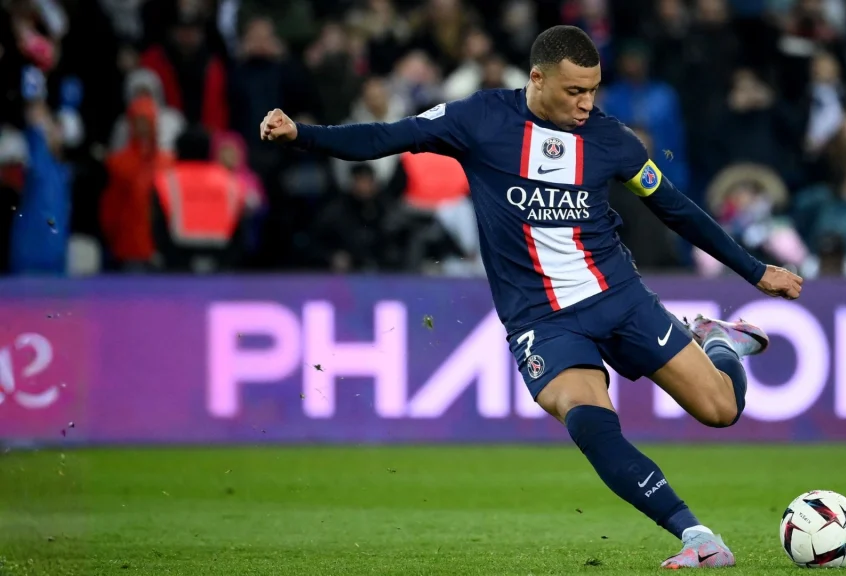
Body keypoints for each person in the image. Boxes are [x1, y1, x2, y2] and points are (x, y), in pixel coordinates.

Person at [260, 25, 802, 569]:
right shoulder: (480, 119)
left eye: (593, 90)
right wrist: (302, 134)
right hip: (542, 320)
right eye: (574, 91)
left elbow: (675, 208)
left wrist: (755, 272)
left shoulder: (611, 141)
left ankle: (718, 342)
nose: (586, 103)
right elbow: (385, 136)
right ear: (537, 78)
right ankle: (697, 537)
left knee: (721, 411)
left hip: (619, 296)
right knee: (590, 423)